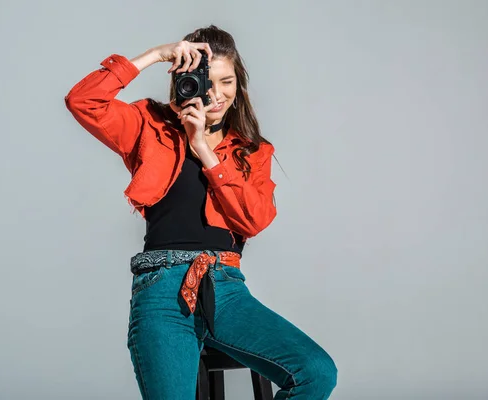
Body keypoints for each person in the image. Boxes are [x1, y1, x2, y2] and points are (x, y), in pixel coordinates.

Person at [65, 24, 337, 399]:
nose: (218, 93)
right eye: (207, 81)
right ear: (185, 80)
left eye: (227, 82)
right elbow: (84, 101)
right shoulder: (149, 125)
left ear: (239, 85)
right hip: (162, 292)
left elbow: (254, 220)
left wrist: (204, 150)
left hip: (226, 291)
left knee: (316, 371)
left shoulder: (253, 151)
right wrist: (155, 55)